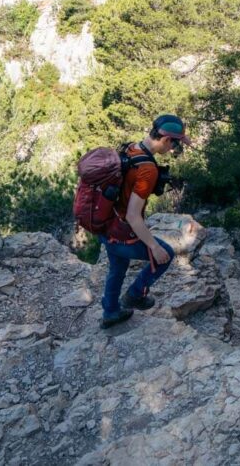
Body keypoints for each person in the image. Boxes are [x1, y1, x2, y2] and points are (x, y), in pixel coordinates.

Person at [98, 114, 190, 329]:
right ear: (167, 140)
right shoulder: (147, 169)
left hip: (106, 224)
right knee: (164, 255)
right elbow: (133, 216)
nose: (174, 149)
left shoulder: (132, 148)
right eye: (175, 144)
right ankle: (135, 295)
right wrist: (154, 246)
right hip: (122, 230)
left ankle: (110, 312)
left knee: (117, 268)